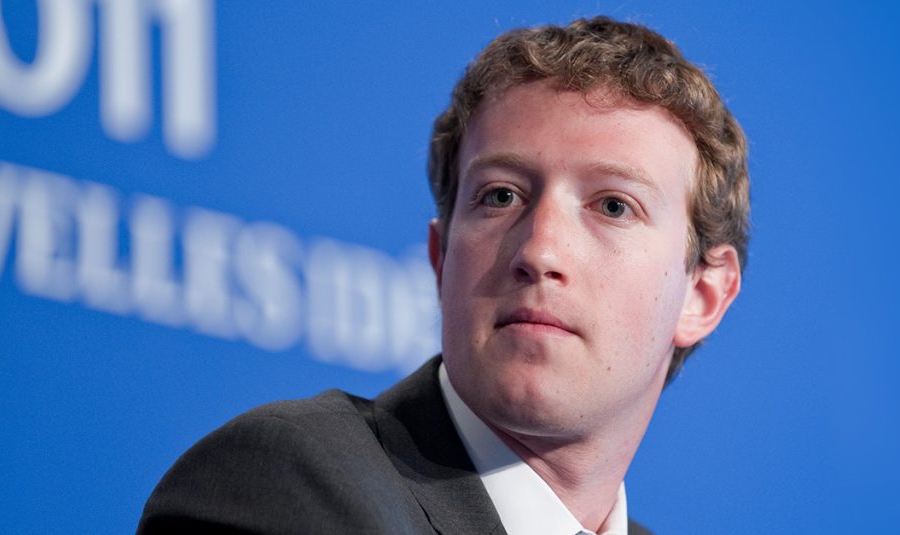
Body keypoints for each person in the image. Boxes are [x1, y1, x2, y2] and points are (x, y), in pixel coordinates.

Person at [138, 15, 748, 535]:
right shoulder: (287, 486)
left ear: (701, 294)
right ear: (440, 257)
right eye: (501, 196)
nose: (540, 251)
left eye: (613, 205)